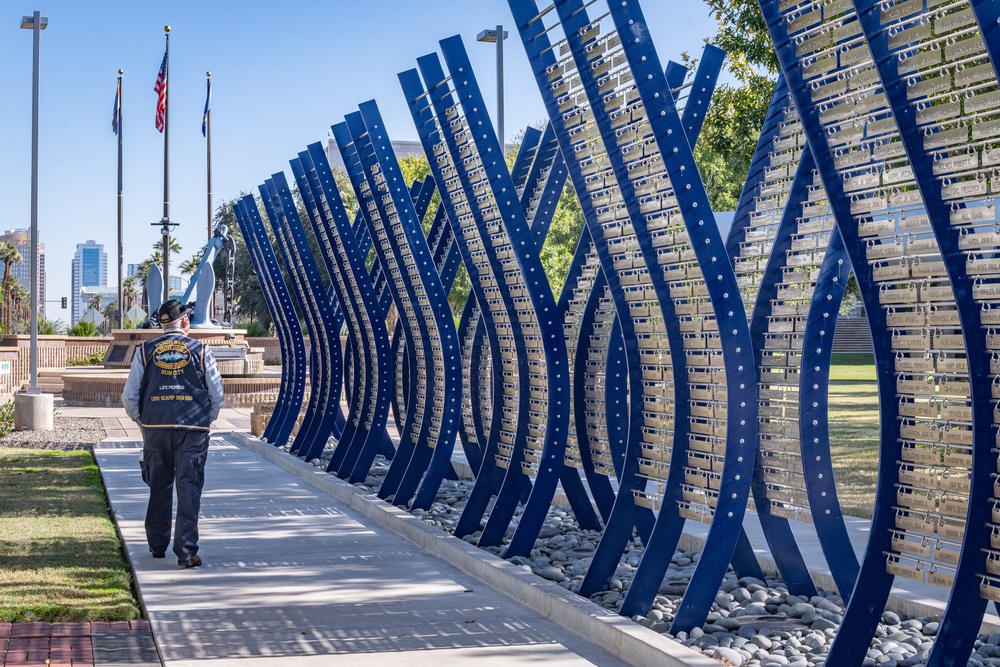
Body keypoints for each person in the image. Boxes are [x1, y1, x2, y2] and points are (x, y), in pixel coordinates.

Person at [121, 299, 224, 568]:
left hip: (155, 428)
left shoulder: (145, 350)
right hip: (193, 429)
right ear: (186, 322)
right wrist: (207, 418)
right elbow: (216, 393)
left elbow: (129, 395)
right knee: (189, 488)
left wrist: (141, 421)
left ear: (162, 324)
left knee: (159, 486)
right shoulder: (200, 349)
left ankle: (157, 546)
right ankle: (187, 553)